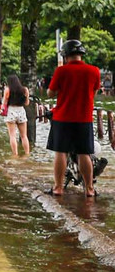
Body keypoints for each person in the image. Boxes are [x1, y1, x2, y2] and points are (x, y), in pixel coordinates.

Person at [47, 38, 102, 197]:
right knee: (84, 153)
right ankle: (90, 189)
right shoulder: (94, 71)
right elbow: (94, 92)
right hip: (84, 118)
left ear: (65, 55)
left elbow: (51, 92)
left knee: (61, 152)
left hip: (62, 118)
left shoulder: (61, 71)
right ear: (81, 54)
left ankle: (58, 188)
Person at [2, 74, 31, 158]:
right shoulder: (25, 90)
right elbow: (27, 103)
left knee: (12, 135)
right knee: (24, 136)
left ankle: (15, 154)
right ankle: (27, 154)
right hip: (21, 111)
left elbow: (4, 103)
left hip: (11, 110)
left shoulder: (8, 90)